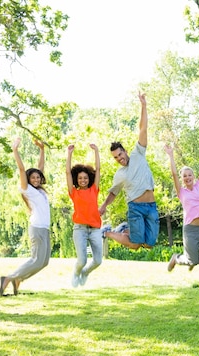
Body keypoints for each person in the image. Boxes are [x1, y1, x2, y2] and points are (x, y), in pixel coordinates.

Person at [99, 93, 160, 249]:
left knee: (149, 244)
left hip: (151, 205)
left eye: (120, 154)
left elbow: (143, 129)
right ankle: (107, 232)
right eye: (115, 157)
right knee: (135, 245)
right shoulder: (120, 174)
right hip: (136, 207)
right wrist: (104, 205)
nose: (119, 158)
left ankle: (124, 229)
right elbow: (114, 192)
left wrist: (143, 105)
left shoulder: (138, 153)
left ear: (125, 151)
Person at [0, 138, 50, 296]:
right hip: (37, 228)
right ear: (27, 180)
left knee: (44, 262)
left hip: (44, 228)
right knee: (36, 260)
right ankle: (9, 278)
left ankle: (17, 279)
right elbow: (22, 170)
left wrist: (42, 150)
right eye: (33, 177)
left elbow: (40, 168)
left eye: (38, 177)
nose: (36, 179)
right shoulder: (27, 189)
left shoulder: (39, 190)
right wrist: (15, 151)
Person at [164, 133, 199, 271]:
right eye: (184, 176)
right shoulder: (182, 192)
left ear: (193, 176)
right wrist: (171, 156)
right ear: (182, 179)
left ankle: (192, 260)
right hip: (190, 230)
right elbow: (174, 174)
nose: (187, 177)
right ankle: (177, 258)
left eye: (189, 175)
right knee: (191, 260)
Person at [66, 143, 103, 287]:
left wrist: (97, 151)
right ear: (77, 179)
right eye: (80, 178)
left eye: (85, 178)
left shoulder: (94, 189)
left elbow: (98, 169)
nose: (83, 180)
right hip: (80, 229)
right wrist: (69, 154)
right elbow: (68, 173)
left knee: (98, 261)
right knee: (82, 261)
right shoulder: (73, 192)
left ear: (90, 178)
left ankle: (85, 273)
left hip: (95, 229)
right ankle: (76, 273)